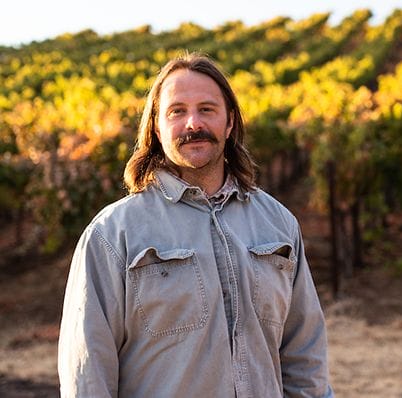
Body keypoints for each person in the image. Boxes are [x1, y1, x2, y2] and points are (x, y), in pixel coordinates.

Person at [58, 53, 334, 397]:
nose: (193, 123)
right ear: (156, 128)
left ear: (229, 122)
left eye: (207, 109)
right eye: (177, 111)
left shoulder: (278, 224)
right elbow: (88, 372)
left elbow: (305, 351)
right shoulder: (112, 235)